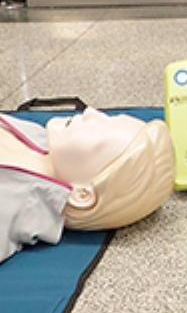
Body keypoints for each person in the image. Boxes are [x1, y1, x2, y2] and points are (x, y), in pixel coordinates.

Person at [0, 108, 175, 263]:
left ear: (82, 195)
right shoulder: (38, 135)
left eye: (100, 130)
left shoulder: (9, 209)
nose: (91, 112)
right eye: (107, 117)